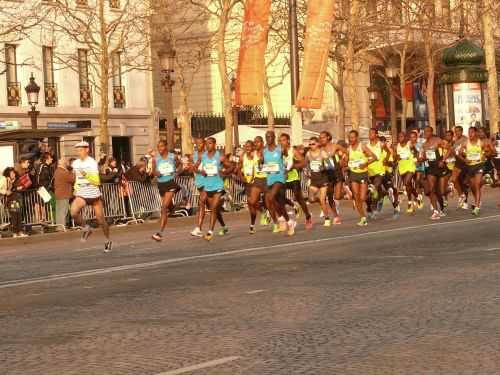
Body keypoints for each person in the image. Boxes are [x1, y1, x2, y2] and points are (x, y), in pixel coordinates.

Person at [70, 141, 112, 252]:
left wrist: (86, 174)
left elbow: (97, 181)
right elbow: (76, 178)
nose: (79, 152)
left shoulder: (92, 162)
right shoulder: (75, 163)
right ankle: (87, 228)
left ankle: (107, 240)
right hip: (82, 193)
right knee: (73, 212)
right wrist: (75, 188)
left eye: (81, 150)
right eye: (78, 150)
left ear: (87, 150)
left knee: (101, 221)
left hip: (94, 194)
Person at [197, 137, 233, 241]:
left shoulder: (219, 156)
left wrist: (224, 172)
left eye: (210, 143)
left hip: (218, 186)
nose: (208, 145)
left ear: (214, 144)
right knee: (215, 210)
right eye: (207, 144)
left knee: (213, 207)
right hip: (208, 186)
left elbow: (231, 166)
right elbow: (195, 167)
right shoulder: (203, 156)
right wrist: (200, 172)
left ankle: (210, 232)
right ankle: (224, 226)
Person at [263, 131, 295, 235]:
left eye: (270, 136)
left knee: (270, 197)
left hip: (280, 178)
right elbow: (264, 163)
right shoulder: (264, 151)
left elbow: (288, 158)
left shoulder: (280, 149)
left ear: (274, 137)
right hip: (270, 179)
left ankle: (281, 218)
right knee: (279, 204)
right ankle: (288, 221)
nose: (268, 138)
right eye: (267, 137)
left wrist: (286, 170)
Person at [457, 127, 494, 215]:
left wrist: (485, 155)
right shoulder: (465, 143)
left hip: (479, 165)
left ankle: (477, 207)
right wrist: (465, 160)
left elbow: (490, 151)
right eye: (469, 132)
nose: (470, 134)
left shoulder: (480, 143)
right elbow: (459, 153)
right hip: (470, 167)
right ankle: (485, 181)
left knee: (477, 185)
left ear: (476, 133)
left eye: (472, 132)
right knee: (473, 186)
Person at [151, 139, 183, 241]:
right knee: (168, 208)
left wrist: (177, 173)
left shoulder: (172, 156)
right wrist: (157, 173)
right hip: (161, 183)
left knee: (163, 208)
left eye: (162, 146)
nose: (160, 149)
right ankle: (178, 205)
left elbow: (180, 165)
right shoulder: (155, 159)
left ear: (166, 146)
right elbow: (153, 171)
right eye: (158, 147)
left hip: (170, 182)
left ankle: (160, 233)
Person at [280, 133, 312, 229]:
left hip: (293, 178)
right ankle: (289, 216)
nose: (282, 142)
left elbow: (303, 162)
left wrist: (293, 166)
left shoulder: (293, 151)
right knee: (279, 198)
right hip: (282, 178)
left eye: (284, 140)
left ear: (288, 141)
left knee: (299, 198)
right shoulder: (278, 151)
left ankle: (308, 216)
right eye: (280, 140)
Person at [346, 130, 377, 226]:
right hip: (353, 174)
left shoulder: (362, 146)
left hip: (363, 174)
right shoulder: (348, 149)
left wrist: (365, 164)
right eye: (349, 137)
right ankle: (363, 218)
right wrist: (345, 164)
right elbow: (346, 161)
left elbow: (374, 157)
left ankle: (371, 192)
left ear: (357, 138)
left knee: (362, 198)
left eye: (352, 137)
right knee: (356, 197)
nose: (351, 139)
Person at [319, 131, 346, 224]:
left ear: (328, 137)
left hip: (337, 173)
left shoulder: (335, 146)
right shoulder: (320, 149)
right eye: (320, 137)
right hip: (327, 175)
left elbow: (346, 152)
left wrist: (343, 161)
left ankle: (345, 191)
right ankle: (336, 216)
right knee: (330, 197)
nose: (321, 139)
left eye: (323, 137)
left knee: (337, 196)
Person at [420, 126, 447, 220]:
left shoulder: (438, 140)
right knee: (431, 189)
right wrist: (421, 159)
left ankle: (441, 207)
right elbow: (423, 157)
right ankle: (436, 211)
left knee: (441, 191)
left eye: (427, 131)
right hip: (430, 168)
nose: (425, 133)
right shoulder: (424, 145)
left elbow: (449, 149)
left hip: (440, 166)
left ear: (431, 132)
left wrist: (443, 160)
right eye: (424, 132)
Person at [305, 137, 332, 226]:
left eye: (313, 144)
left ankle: (327, 218)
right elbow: (306, 164)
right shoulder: (308, 154)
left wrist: (324, 167)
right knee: (311, 199)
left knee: (322, 199)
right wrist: (307, 171)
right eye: (310, 144)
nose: (311, 146)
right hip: (314, 179)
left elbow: (331, 165)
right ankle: (321, 203)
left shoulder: (322, 153)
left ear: (318, 144)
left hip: (323, 179)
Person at [395, 131, 418, 214]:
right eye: (399, 137)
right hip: (402, 167)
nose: (400, 138)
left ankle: (410, 202)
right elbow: (397, 156)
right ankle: (414, 198)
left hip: (410, 165)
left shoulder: (409, 144)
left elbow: (416, 152)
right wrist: (397, 158)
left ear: (405, 137)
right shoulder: (397, 146)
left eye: (402, 136)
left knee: (406, 182)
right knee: (409, 186)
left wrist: (415, 159)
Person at [2, 167, 28, 237]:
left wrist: (18, 188)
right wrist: (14, 188)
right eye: (11, 173)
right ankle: (14, 232)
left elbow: (24, 187)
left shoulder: (18, 180)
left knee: (19, 216)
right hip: (11, 201)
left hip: (18, 200)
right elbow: (6, 190)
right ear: (8, 174)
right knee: (14, 216)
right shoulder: (7, 181)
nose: (13, 174)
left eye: (13, 173)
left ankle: (20, 231)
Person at [450, 125, 469, 208]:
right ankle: (461, 195)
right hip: (457, 162)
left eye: (458, 131)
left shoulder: (465, 140)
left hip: (465, 162)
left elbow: (466, 151)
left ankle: (465, 202)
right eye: (456, 131)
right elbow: (453, 152)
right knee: (454, 179)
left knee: (464, 183)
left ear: (462, 131)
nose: (457, 132)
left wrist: (462, 153)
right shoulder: (455, 140)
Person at [54, 158, 75, 229]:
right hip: (63, 194)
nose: (67, 164)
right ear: (64, 164)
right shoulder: (63, 172)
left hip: (60, 194)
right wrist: (72, 172)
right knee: (63, 211)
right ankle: (61, 227)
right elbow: (73, 179)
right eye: (66, 163)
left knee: (60, 211)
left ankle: (60, 226)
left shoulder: (58, 171)